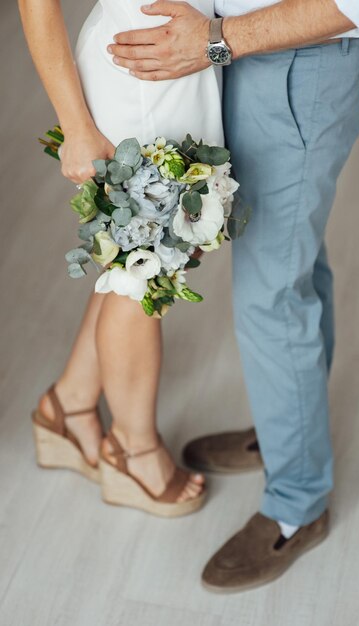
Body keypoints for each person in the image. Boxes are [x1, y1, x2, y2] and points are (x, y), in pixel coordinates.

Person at [107, 0, 359, 591]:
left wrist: (221, 38)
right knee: (294, 258)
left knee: (271, 294)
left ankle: (298, 502)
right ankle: (289, 430)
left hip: (297, 63)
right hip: (241, 53)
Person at [18, 0, 226, 517]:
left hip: (186, 68)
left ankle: (67, 407)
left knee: (142, 263)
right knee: (145, 277)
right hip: (136, 88)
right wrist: (75, 125)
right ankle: (133, 452)